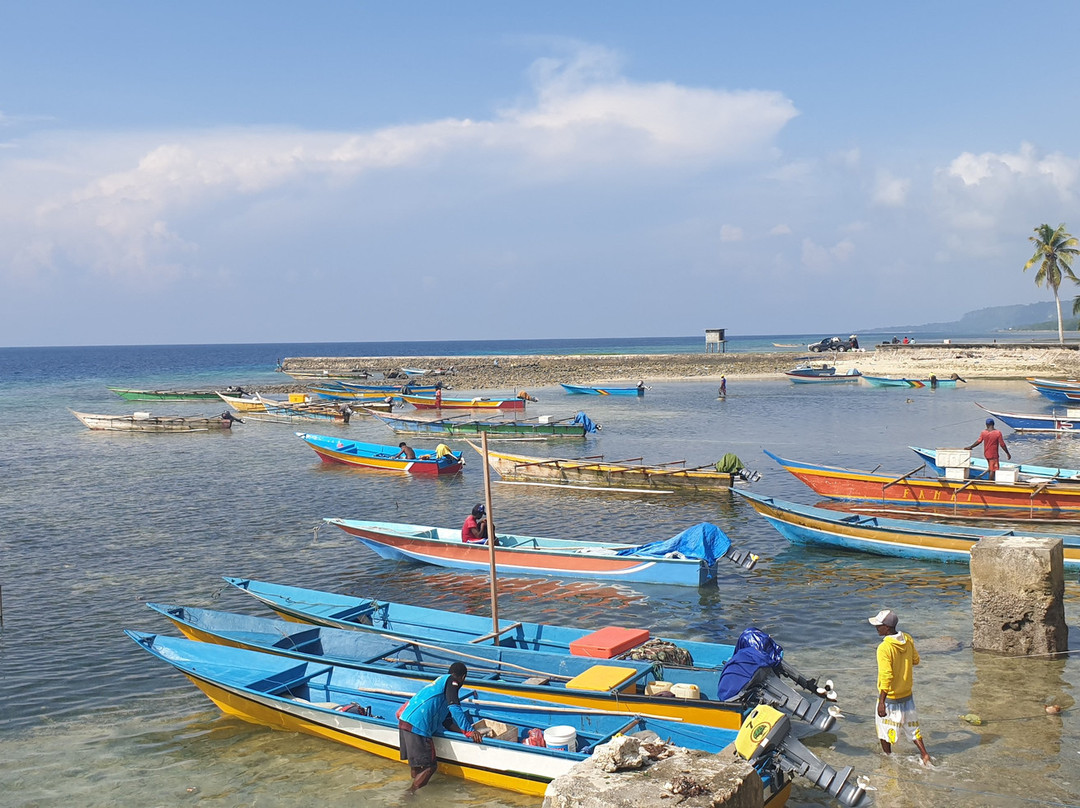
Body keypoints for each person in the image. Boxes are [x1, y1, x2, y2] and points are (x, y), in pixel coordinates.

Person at [398, 661, 483, 794]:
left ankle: (414, 785)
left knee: (416, 765)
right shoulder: (452, 681)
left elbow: (447, 722)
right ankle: (410, 794)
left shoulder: (440, 685)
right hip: (418, 726)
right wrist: (470, 731)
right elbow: (454, 706)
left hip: (405, 721)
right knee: (430, 767)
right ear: (463, 677)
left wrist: (464, 731)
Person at [869, 609, 931, 766]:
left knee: (884, 732)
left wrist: (882, 702)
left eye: (879, 625)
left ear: (887, 628)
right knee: (913, 728)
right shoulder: (907, 638)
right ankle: (924, 754)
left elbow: (887, 676)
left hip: (891, 698)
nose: (876, 628)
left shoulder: (884, 648)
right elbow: (915, 660)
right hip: (907, 695)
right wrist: (903, 664)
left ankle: (887, 759)